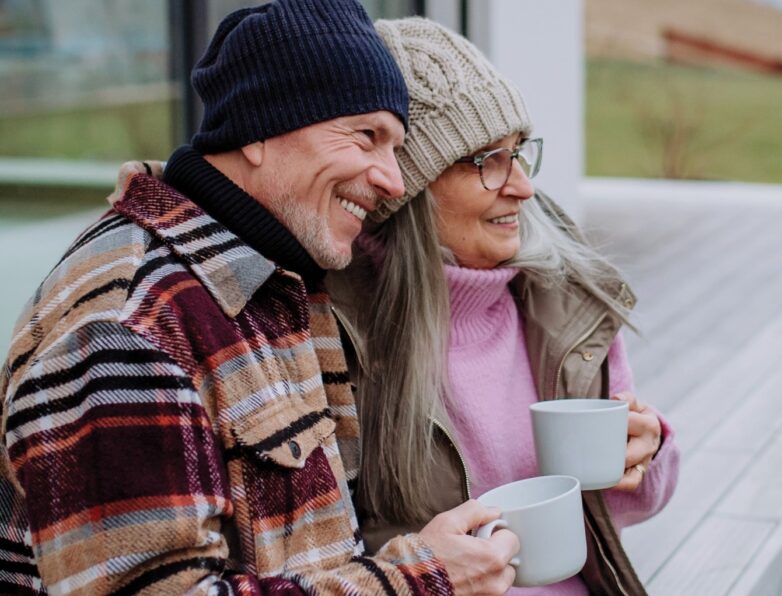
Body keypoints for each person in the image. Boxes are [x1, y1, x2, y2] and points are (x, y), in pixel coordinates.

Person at [0, 2, 518, 594]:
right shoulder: (127, 329)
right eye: (366, 136)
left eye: (395, 147)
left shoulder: (275, 281)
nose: (394, 180)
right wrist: (419, 581)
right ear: (258, 130)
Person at [326, 18, 682, 595]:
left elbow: (626, 509)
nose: (523, 186)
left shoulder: (563, 301)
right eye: (488, 161)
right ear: (407, 189)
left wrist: (647, 451)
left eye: (519, 154)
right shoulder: (336, 336)